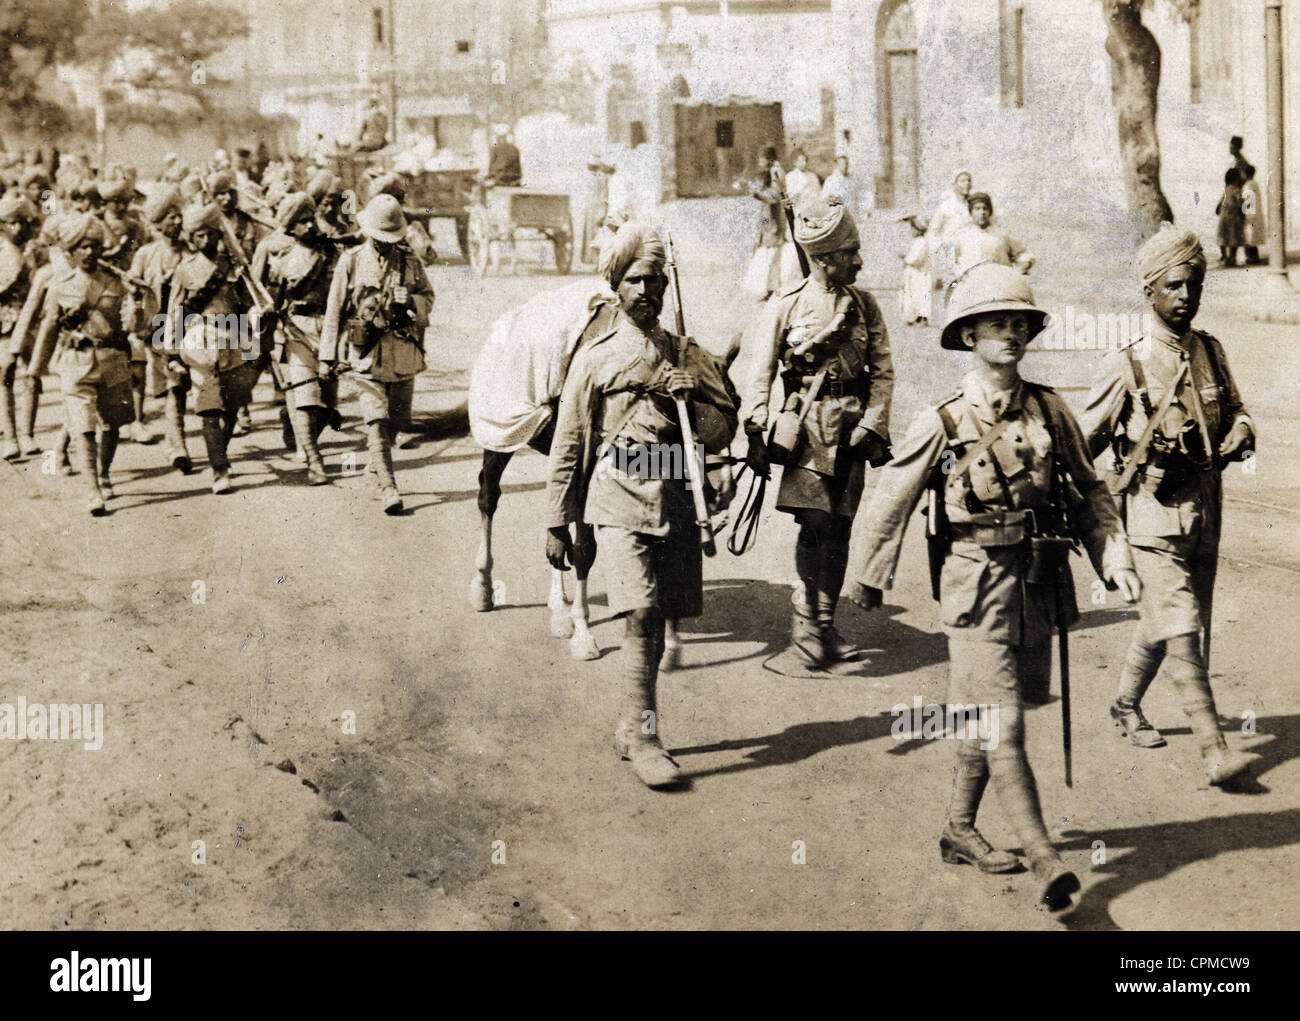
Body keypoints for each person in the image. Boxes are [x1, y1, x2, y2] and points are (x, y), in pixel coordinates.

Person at [846, 262, 1141, 912]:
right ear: (969, 333)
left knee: (986, 714)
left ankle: (957, 828)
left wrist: (1112, 555)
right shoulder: (945, 420)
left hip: (1037, 588)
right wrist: (869, 574)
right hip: (974, 594)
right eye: (995, 322)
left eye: (1018, 322)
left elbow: (1090, 489)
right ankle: (1046, 862)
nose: (1009, 332)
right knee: (1003, 726)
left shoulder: (1050, 408)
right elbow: (891, 493)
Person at [545, 222, 738, 788]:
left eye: (655, 280)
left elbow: (723, 430)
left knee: (659, 619)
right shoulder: (594, 358)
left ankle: (631, 726)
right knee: (641, 613)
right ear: (616, 286)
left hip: (677, 497)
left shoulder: (687, 354)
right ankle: (647, 736)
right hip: (619, 499)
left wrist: (694, 401)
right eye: (634, 280)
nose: (646, 291)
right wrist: (558, 520)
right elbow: (569, 444)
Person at [1079, 225, 1259, 787]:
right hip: (1151, 519)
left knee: (1177, 620)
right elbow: (1080, 445)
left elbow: (1237, 410)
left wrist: (1244, 432)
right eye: (1175, 286)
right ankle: (1214, 750)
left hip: (1205, 512)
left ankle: (1125, 703)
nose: (1187, 295)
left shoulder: (1209, 351)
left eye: (1195, 284)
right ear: (1151, 292)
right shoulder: (1126, 363)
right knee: (1181, 624)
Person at [739, 195, 894, 668]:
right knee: (816, 524)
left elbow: (884, 371)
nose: (859, 261)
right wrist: (757, 428)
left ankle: (825, 625)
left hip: (851, 432)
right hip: (806, 430)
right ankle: (805, 623)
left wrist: (872, 422)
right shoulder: (786, 305)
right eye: (850, 254)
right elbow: (759, 372)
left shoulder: (865, 306)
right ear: (824, 259)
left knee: (841, 527)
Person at [320, 194, 434, 514]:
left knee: (398, 419)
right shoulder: (352, 261)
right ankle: (389, 487)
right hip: (365, 352)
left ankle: (375, 468)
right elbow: (334, 311)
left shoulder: (410, 260)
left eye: (390, 239)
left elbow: (428, 296)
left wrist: (411, 301)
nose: (384, 244)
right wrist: (327, 356)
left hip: (401, 350)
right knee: (376, 419)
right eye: (380, 238)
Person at [26, 213, 137, 514]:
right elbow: (49, 329)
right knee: (83, 426)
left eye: (94, 246)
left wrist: (139, 299)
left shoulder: (117, 282)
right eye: (83, 247)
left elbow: (136, 323)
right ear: (72, 251)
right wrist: (34, 369)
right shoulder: (60, 286)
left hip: (112, 361)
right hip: (76, 364)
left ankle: (104, 472)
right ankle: (93, 490)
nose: (89, 252)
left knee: (113, 425)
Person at [163, 202, 262, 495]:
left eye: (211, 235)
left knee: (232, 405)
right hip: (200, 341)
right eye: (199, 236)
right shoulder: (184, 270)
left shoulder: (234, 266)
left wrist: (257, 317)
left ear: (220, 235)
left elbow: (249, 303)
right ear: (192, 239)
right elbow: (174, 312)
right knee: (208, 405)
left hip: (234, 336)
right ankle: (220, 468)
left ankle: (219, 452)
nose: (206, 241)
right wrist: (170, 351)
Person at [253, 192, 340, 486]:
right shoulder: (280, 258)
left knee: (328, 402)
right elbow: (266, 298)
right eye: (301, 222)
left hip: (328, 329)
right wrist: (264, 315)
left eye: (310, 219)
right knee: (305, 397)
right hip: (296, 329)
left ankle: (301, 436)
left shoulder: (330, 251)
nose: (309, 226)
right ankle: (315, 462)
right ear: (290, 226)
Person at [126, 187, 188, 471]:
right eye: (171, 217)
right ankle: (176, 445)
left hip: (188, 328)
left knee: (178, 387)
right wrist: (137, 290)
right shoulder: (146, 254)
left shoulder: (190, 251)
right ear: (159, 222)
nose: (177, 222)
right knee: (173, 387)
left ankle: (177, 444)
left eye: (179, 216)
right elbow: (133, 290)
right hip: (155, 330)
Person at [0, 192, 41, 459]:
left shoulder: (36, 253)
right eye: (10, 222)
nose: (16, 228)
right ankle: (10, 437)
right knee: (5, 374)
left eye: (21, 222)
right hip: (4, 320)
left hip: (31, 320)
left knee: (32, 375)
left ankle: (27, 433)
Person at [740, 146, 786, 301]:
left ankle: (774, 288)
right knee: (767, 254)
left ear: (769, 160)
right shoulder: (770, 172)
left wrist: (757, 194)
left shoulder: (776, 172)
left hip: (774, 218)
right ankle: (770, 288)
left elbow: (775, 196)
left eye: (762, 158)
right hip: (767, 217)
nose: (759, 161)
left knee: (772, 254)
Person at [950, 193, 1033, 276]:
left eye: (985, 208)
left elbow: (1024, 254)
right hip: (972, 283)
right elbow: (953, 262)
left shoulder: (1002, 235)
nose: (982, 212)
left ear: (990, 212)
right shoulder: (962, 236)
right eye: (977, 209)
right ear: (971, 212)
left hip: (999, 282)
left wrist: (1017, 272)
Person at [926, 168, 974, 286]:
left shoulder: (973, 205)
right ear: (954, 184)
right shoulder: (946, 206)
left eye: (969, 180)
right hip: (950, 254)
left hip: (970, 251)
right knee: (953, 286)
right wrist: (942, 247)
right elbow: (933, 231)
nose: (966, 183)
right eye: (962, 181)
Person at [900, 214, 932, 326]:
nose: (911, 231)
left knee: (919, 294)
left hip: (919, 274)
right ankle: (914, 317)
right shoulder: (918, 242)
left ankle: (922, 317)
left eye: (913, 228)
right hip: (914, 273)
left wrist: (906, 259)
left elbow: (916, 259)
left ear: (918, 229)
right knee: (912, 294)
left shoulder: (921, 242)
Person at [1215, 169, 1244, 268]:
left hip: (1224, 216)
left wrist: (1218, 208)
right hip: (1233, 217)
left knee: (1223, 238)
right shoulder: (1237, 189)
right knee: (1233, 239)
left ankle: (1225, 257)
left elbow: (1221, 201)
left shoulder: (1226, 188)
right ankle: (1232, 258)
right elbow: (1240, 202)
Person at [1240, 164, 1264, 265]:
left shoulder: (1247, 185)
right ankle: (1254, 257)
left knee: (1248, 238)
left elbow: (1247, 201)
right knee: (1252, 238)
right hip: (1255, 214)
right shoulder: (1255, 183)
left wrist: (1241, 210)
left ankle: (1251, 258)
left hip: (1249, 214)